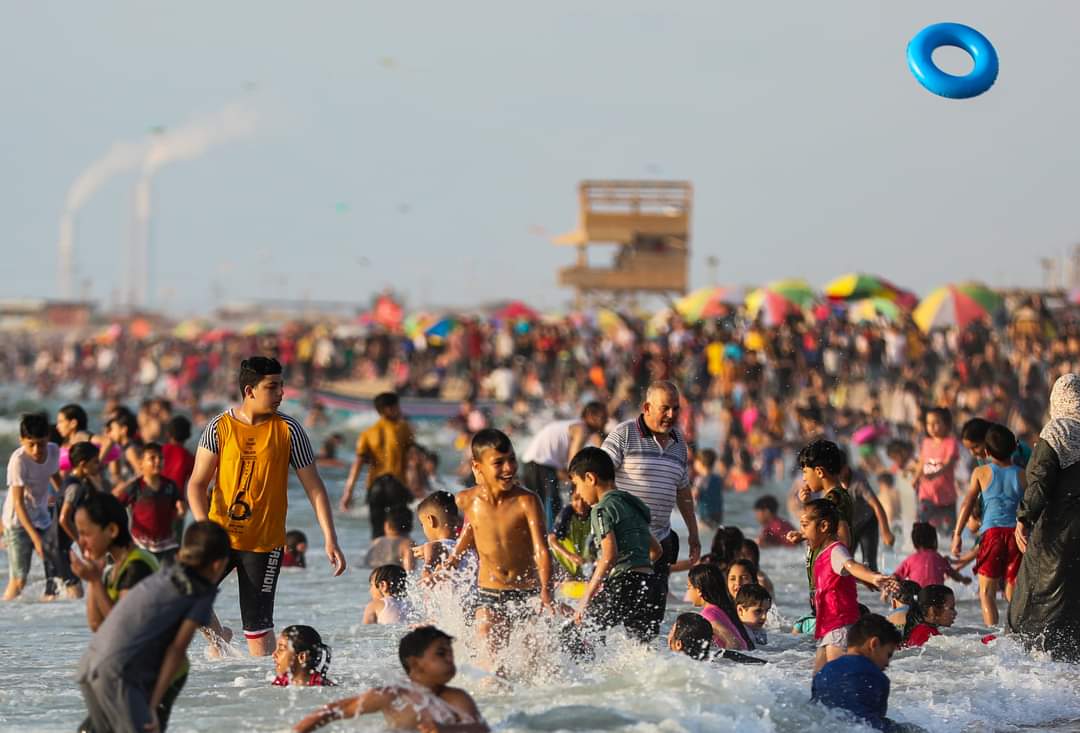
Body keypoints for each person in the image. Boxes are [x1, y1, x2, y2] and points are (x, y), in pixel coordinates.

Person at [186, 356, 345, 656]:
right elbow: (196, 484)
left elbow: (315, 488)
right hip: (219, 538)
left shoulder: (289, 430)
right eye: (273, 387)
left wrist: (330, 538)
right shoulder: (219, 427)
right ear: (249, 391)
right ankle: (218, 638)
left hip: (264, 545)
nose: (281, 393)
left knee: (257, 635)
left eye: (282, 386)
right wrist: (203, 526)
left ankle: (263, 692)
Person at [78, 520, 230, 733]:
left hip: (90, 664)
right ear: (217, 564)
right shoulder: (200, 591)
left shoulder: (166, 571)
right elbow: (176, 649)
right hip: (118, 674)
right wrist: (152, 705)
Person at [601, 381, 701, 630]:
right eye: (665, 408)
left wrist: (694, 533)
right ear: (647, 407)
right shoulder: (624, 434)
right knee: (612, 615)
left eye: (676, 409)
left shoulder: (679, 442)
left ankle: (644, 666)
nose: (671, 415)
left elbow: (683, 491)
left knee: (650, 621)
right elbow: (600, 479)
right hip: (626, 544)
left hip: (662, 541)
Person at [445, 429, 553, 652]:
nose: (508, 468)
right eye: (498, 462)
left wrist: (546, 589)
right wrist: (455, 556)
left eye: (512, 460)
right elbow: (472, 528)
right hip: (489, 592)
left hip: (528, 591)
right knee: (491, 658)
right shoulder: (467, 500)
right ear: (477, 467)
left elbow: (541, 549)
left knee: (535, 662)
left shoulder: (527, 501)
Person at [292, 626, 489, 732]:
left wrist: (445, 730)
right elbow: (333, 711)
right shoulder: (393, 695)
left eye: (450, 653)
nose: (450, 659)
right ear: (416, 663)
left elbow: (480, 728)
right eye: (441, 653)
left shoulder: (455, 697)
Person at [1009, 373, 1080, 661]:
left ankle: (1033, 652)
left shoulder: (1057, 432)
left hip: (1057, 529)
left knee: (1040, 591)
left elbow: (1038, 481)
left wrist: (1024, 519)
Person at [569, 447, 662, 641]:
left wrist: (585, 599)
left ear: (590, 478)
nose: (578, 492)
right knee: (642, 650)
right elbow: (656, 550)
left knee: (576, 634)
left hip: (623, 584)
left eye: (577, 485)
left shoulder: (601, 509)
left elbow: (609, 556)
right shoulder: (631, 503)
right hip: (650, 586)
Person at [796, 499, 897, 672]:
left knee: (841, 677)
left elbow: (851, 565)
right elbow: (842, 574)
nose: (802, 532)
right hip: (828, 627)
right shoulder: (823, 554)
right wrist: (863, 579)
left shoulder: (836, 550)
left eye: (805, 526)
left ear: (823, 526)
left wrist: (872, 577)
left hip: (839, 626)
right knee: (819, 682)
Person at [69, 491, 160, 631]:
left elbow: (124, 628)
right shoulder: (114, 568)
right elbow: (96, 625)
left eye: (85, 534)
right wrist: (94, 578)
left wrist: (95, 581)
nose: (80, 542)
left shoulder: (137, 566)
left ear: (111, 530)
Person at [3, 413, 63, 601]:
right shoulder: (18, 461)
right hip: (17, 522)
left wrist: (66, 505)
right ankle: (5, 611)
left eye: (41, 444)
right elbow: (19, 504)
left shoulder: (53, 451)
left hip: (42, 515)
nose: (37, 450)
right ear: (22, 440)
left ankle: (51, 619)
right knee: (20, 579)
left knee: (55, 574)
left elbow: (58, 484)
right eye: (31, 444)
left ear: (48, 439)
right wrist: (36, 539)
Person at [521, 401, 608, 528]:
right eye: (604, 417)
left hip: (534, 464)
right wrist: (578, 486)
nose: (606, 422)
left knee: (540, 507)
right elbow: (574, 461)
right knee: (550, 506)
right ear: (590, 416)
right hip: (539, 464)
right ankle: (551, 539)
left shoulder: (576, 426)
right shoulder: (581, 429)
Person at [811, 614, 904, 732]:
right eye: (888, 654)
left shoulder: (822, 673)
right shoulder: (876, 676)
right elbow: (875, 724)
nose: (887, 663)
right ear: (874, 644)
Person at [340, 392, 414, 538]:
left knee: (377, 533)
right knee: (400, 532)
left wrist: (348, 492)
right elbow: (411, 458)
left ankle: (377, 559)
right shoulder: (403, 428)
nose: (400, 410)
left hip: (375, 487)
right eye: (397, 407)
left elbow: (358, 463)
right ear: (388, 409)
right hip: (396, 484)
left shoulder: (367, 433)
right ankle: (400, 559)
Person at [115, 442, 186, 564]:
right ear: (141, 463)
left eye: (160, 458)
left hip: (167, 544)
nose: (157, 461)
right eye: (152, 458)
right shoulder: (135, 487)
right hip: (141, 544)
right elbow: (117, 507)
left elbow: (181, 505)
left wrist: (181, 510)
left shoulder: (170, 486)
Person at [686, 563, 753, 650]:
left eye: (689, 587)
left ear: (699, 590)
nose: (687, 593)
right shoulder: (722, 609)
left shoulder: (708, 616)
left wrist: (722, 662)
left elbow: (734, 643)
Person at [914, 407, 959, 533]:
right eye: (928, 424)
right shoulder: (926, 442)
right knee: (922, 521)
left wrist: (935, 474)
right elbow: (921, 462)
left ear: (946, 424)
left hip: (946, 495)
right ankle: (922, 546)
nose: (932, 427)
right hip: (927, 492)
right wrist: (916, 478)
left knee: (949, 530)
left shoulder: (950, 443)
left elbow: (949, 463)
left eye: (936, 423)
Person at [894, 522, 969, 588]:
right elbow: (953, 574)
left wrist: (888, 587)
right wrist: (963, 579)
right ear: (934, 541)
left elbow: (896, 576)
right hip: (937, 596)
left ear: (915, 542)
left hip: (918, 597)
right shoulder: (939, 558)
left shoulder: (910, 560)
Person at [547, 489, 595, 579]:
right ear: (571, 500)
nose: (580, 504)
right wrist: (570, 556)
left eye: (583, 499)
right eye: (576, 499)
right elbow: (551, 539)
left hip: (584, 558)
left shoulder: (593, 513)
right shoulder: (567, 513)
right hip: (566, 558)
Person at [363, 505, 416, 571]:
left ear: (386, 525)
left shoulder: (376, 541)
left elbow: (364, 565)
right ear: (411, 525)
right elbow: (410, 572)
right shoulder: (407, 544)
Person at [692, 448, 724, 529]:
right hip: (718, 514)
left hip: (704, 514)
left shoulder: (700, 479)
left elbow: (695, 495)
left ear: (701, 463)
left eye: (696, 461)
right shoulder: (718, 478)